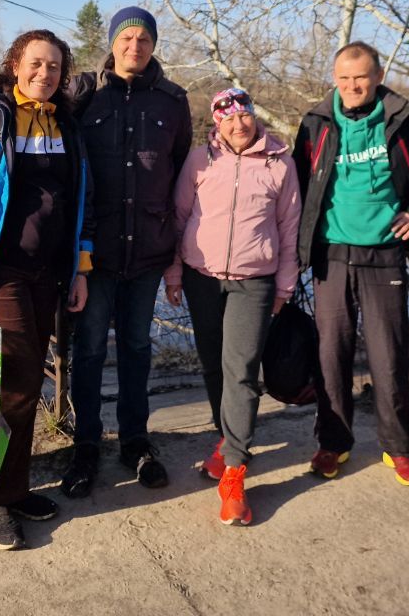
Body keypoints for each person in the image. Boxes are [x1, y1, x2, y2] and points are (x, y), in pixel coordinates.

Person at [0, 29, 94, 550]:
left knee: (23, 379)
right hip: (0, 271)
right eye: (36, 63)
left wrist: (81, 268)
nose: (45, 73)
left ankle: (13, 486)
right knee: (18, 381)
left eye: (54, 66)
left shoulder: (66, 124)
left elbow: (82, 200)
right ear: (15, 65)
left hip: (49, 272)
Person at [294, 41, 409, 487]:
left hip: (384, 251)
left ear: (378, 76)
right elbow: (297, 184)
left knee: (389, 354)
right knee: (331, 356)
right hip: (331, 252)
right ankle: (334, 443)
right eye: (344, 78)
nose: (352, 86)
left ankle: (399, 448)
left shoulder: (404, 118)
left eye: (361, 77)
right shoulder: (315, 122)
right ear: (334, 78)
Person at [62, 6, 192, 496]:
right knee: (90, 349)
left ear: (154, 46)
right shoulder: (85, 97)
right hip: (94, 253)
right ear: (112, 43)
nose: (135, 47)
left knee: (137, 347)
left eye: (144, 39)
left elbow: (182, 174)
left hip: (148, 252)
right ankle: (86, 444)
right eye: (126, 38)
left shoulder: (173, 102)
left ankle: (135, 441)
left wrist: (176, 254)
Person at [163, 87, 300, 525]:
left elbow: (290, 227)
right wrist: (174, 273)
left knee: (240, 372)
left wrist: (285, 285)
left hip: (253, 283)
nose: (238, 125)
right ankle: (227, 442)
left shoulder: (280, 163)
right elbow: (179, 218)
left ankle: (235, 474)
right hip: (202, 278)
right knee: (212, 366)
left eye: (244, 116)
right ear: (216, 123)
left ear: (254, 118)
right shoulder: (200, 160)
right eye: (228, 118)